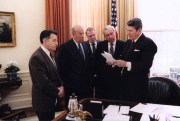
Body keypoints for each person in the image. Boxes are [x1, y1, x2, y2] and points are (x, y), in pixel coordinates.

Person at [107, 18, 157, 102]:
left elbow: (146, 65)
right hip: (124, 85)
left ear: (139, 30)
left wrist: (126, 64)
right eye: (127, 30)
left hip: (138, 87)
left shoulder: (148, 43)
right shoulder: (128, 43)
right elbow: (123, 59)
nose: (128, 33)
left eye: (131, 31)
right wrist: (114, 62)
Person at [29, 29, 64, 121]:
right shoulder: (36, 57)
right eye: (54, 40)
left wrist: (61, 86)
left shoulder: (49, 54)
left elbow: (55, 73)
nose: (57, 43)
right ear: (45, 41)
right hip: (43, 102)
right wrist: (58, 91)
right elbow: (43, 82)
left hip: (50, 99)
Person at [56, 25, 91, 105]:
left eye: (83, 34)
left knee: (85, 108)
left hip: (86, 87)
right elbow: (61, 69)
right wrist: (65, 85)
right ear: (73, 34)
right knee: (73, 112)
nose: (82, 36)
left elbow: (88, 65)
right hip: (72, 88)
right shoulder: (65, 47)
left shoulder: (86, 45)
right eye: (80, 34)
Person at [95, 25, 124, 100]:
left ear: (115, 32)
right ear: (104, 36)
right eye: (107, 35)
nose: (110, 36)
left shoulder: (123, 45)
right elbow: (97, 62)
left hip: (118, 81)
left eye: (111, 33)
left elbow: (125, 61)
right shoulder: (100, 45)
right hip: (104, 82)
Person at [85, 27, 100, 97]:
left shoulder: (101, 44)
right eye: (90, 36)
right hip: (88, 76)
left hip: (100, 75)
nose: (93, 37)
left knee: (99, 95)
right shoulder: (83, 45)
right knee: (88, 94)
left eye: (94, 35)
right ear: (87, 36)